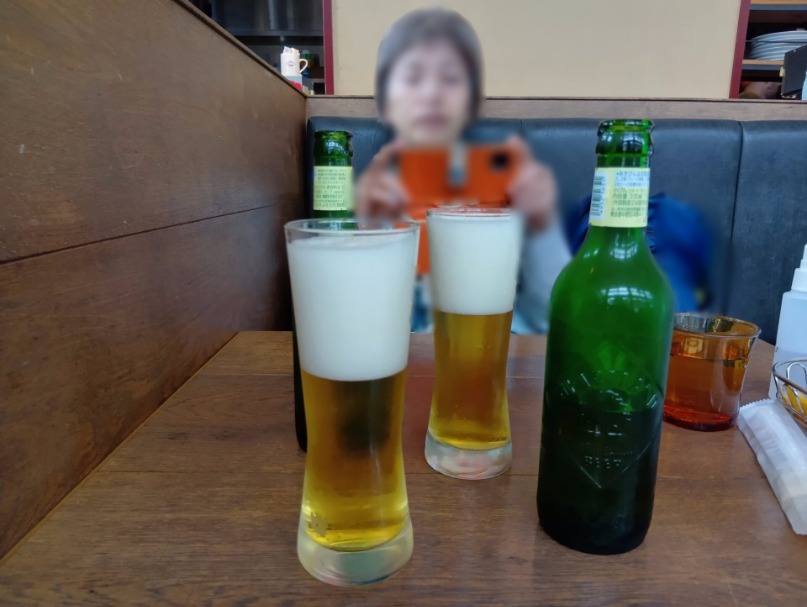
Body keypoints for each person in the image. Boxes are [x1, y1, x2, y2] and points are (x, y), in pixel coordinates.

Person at [355, 8, 571, 333]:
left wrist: (541, 226)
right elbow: (361, 319)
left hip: (493, 344)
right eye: (412, 77)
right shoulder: (378, 187)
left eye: (450, 78)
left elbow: (551, 319)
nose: (431, 95)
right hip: (405, 348)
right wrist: (368, 230)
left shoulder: (511, 177)